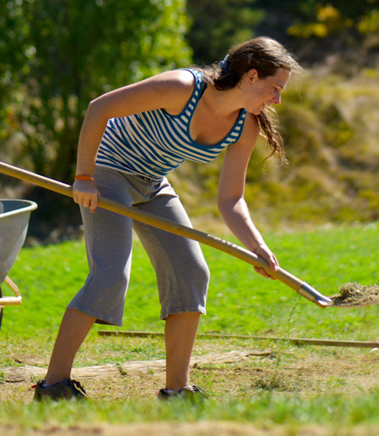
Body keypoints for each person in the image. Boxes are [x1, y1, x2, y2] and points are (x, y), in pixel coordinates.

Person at [33, 37, 302, 402]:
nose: (277, 100)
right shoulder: (182, 88)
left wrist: (257, 245)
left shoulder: (244, 125)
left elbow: (231, 199)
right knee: (111, 275)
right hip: (109, 173)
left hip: (153, 183)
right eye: (275, 88)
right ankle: (53, 386)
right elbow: (99, 109)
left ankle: (178, 390)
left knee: (191, 271)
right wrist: (83, 177)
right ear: (251, 76)